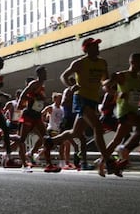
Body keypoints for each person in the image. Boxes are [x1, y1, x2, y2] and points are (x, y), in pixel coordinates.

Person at [44, 37, 119, 176]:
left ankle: (50, 141)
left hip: (93, 100)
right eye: (94, 46)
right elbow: (64, 76)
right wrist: (72, 86)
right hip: (81, 99)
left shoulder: (103, 63)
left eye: (97, 46)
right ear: (87, 49)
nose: (97, 48)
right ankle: (107, 161)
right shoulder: (80, 63)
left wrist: (112, 83)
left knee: (75, 132)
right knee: (97, 126)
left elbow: (104, 83)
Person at [99, 53, 140, 176]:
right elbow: (105, 85)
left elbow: (139, 94)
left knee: (117, 140)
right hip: (124, 111)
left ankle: (102, 163)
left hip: (133, 110)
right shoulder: (122, 75)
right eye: (137, 62)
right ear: (131, 62)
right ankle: (124, 155)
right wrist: (118, 94)